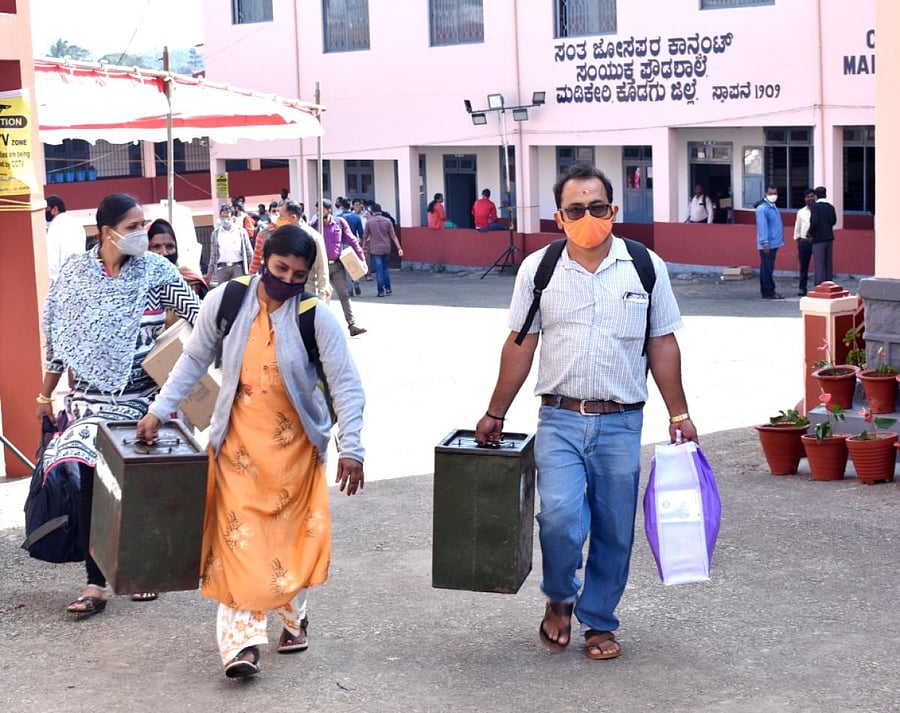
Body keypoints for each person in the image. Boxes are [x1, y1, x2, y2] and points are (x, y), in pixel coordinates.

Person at [474, 163, 695, 661]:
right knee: (559, 517)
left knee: (614, 529)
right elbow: (521, 343)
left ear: (613, 210)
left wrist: (679, 414)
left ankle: (599, 621)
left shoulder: (645, 266)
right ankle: (560, 597)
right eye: (575, 210)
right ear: (559, 217)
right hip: (560, 418)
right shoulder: (540, 270)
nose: (588, 217)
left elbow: (662, 342)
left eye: (597, 207)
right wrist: (495, 411)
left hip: (622, 421)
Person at [135, 225, 366, 680]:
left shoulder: (316, 317)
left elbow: (346, 385)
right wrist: (159, 411)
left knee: (287, 543)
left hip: (296, 454)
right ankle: (241, 642)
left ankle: (294, 618)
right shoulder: (227, 300)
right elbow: (193, 359)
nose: (288, 280)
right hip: (236, 448)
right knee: (239, 541)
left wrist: (351, 448)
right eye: (280, 269)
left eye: (298, 275)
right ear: (263, 262)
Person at [35, 193, 201, 618]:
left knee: (139, 487)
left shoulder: (157, 272)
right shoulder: (75, 275)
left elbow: (199, 319)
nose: (142, 233)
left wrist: (185, 366)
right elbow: (59, 340)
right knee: (91, 486)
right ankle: (96, 581)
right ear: (107, 232)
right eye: (133, 227)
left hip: (145, 400)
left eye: (143, 224)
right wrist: (44, 395)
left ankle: (141, 570)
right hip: (89, 402)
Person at [252, 200, 332, 303]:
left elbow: (322, 270)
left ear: (293, 218)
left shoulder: (313, 237)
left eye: (281, 217)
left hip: (304, 294)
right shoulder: (278, 234)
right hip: (281, 294)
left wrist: (322, 299)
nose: (278, 219)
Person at [319, 198, 367, 336]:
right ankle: (321, 329)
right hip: (321, 267)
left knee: (344, 294)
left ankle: (352, 325)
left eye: (322, 209)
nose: (319, 212)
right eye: (317, 210)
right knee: (322, 297)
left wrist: (361, 258)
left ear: (329, 210)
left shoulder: (339, 223)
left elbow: (352, 240)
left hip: (337, 265)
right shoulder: (315, 225)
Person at [148, 218, 209, 324]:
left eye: (170, 246)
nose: (164, 253)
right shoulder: (137, 285)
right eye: (156, 247)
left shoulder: (191, 280)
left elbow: (203, 318)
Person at [206, 205, 253, 286]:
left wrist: (253, 269)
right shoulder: (215, 234)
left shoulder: (241, 232)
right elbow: (213, 255)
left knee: (238, 290)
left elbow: (249, 251)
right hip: (222, 269)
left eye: (227, 217)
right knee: (222, 292)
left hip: (238, 268)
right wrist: (209, 273)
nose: (225, 220)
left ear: (233, 218)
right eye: (223, 217)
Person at [45, 195, 88, 282]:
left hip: (62, 280)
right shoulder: (77, 224)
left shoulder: (55, 227)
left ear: (55, 209)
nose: (45, 213)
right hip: (79, 276)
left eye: (46, 209)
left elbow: (52, 259)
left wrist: (50, 283)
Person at [364, 203, 403, 297]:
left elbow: (365, 236)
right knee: (385, 268)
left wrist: (363, 247)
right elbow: (393, 236)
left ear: (372, 212)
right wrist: (399, 248)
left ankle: (380, 291)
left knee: (379, 270)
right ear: (380, 211)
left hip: (375, 249)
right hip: (386, 247)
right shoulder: (388, 221)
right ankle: (388, 289)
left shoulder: (369, 222)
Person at [755, 184, 785, 300]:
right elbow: (763, 227)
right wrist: (765, 243)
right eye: (771, 193)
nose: (773, 196)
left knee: (768, 268)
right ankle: (768, 292)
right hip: (768, 244)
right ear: (765, 194)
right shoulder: (762, 209)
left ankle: (769, 291)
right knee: (766, 268)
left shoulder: (773, 207)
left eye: (775, 193)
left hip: (774, 243)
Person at [809, 185, 837, 287]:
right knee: (828, 263)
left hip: (818, 238)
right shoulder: (830, 207)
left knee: (819, 264)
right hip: (829, 237)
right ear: (825, 195)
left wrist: (810, 232)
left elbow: (814, 222)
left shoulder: (815, 207)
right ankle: (829, 284)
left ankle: (820, 286)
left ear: (816, 196)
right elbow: (833, 221)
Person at [793, 189, 816, 296]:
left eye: (812, 196)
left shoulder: (819, 210)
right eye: (808, 197)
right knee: (803, 267)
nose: (810, 198)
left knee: (819, 266)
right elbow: (797, 226)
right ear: (805, 199)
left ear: (815, 197)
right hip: (804, 242)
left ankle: (818, 288)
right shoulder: (801, 212)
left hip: (817, 241)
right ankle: (802, 288)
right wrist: (798, 239)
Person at [341, 198, 365, 296]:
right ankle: (356, 282)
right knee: (355, 265)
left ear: (341, 206)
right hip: (354, 243)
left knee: (346, 268)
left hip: (342, 243)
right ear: (350, 205)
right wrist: (362, 245)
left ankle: (350, 290)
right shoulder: (356, 217)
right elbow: (361, 233)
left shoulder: (338, 218)